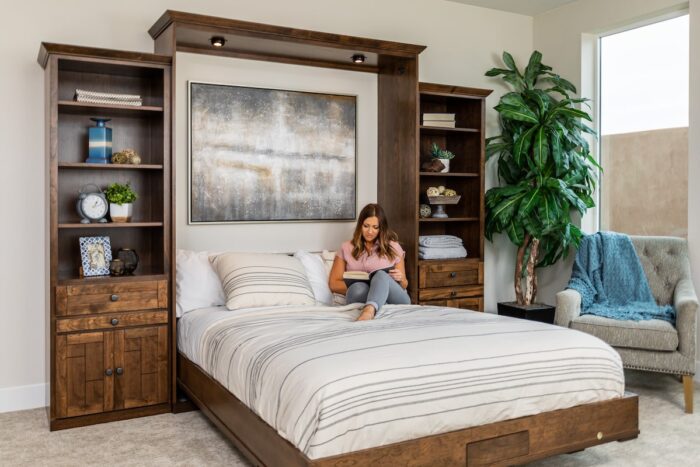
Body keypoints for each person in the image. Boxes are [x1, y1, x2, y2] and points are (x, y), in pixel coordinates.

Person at [329, 203, 410, 321]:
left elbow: (404, 284)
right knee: (356, 288)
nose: (370, 231)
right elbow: (334, 284)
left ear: (381, 228)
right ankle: (379, 303)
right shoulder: (346, 247)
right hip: (360, 294)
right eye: (366, 226)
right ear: (360, 225)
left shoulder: (393, 247)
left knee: (381, 275)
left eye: (375, 227)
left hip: (396, 297)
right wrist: (374, 289)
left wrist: (401, 279)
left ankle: (369, 310)